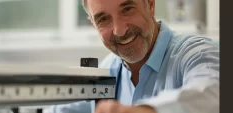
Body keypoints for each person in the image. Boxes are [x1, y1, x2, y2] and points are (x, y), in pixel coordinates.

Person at [47, 0, 219, 113]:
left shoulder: (197, 52)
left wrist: (144, 111)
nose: (119, 30)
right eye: (103, 19)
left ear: (150, 4)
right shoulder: (105, 72)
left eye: (127, 9)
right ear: (93, 24)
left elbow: (213, 93)